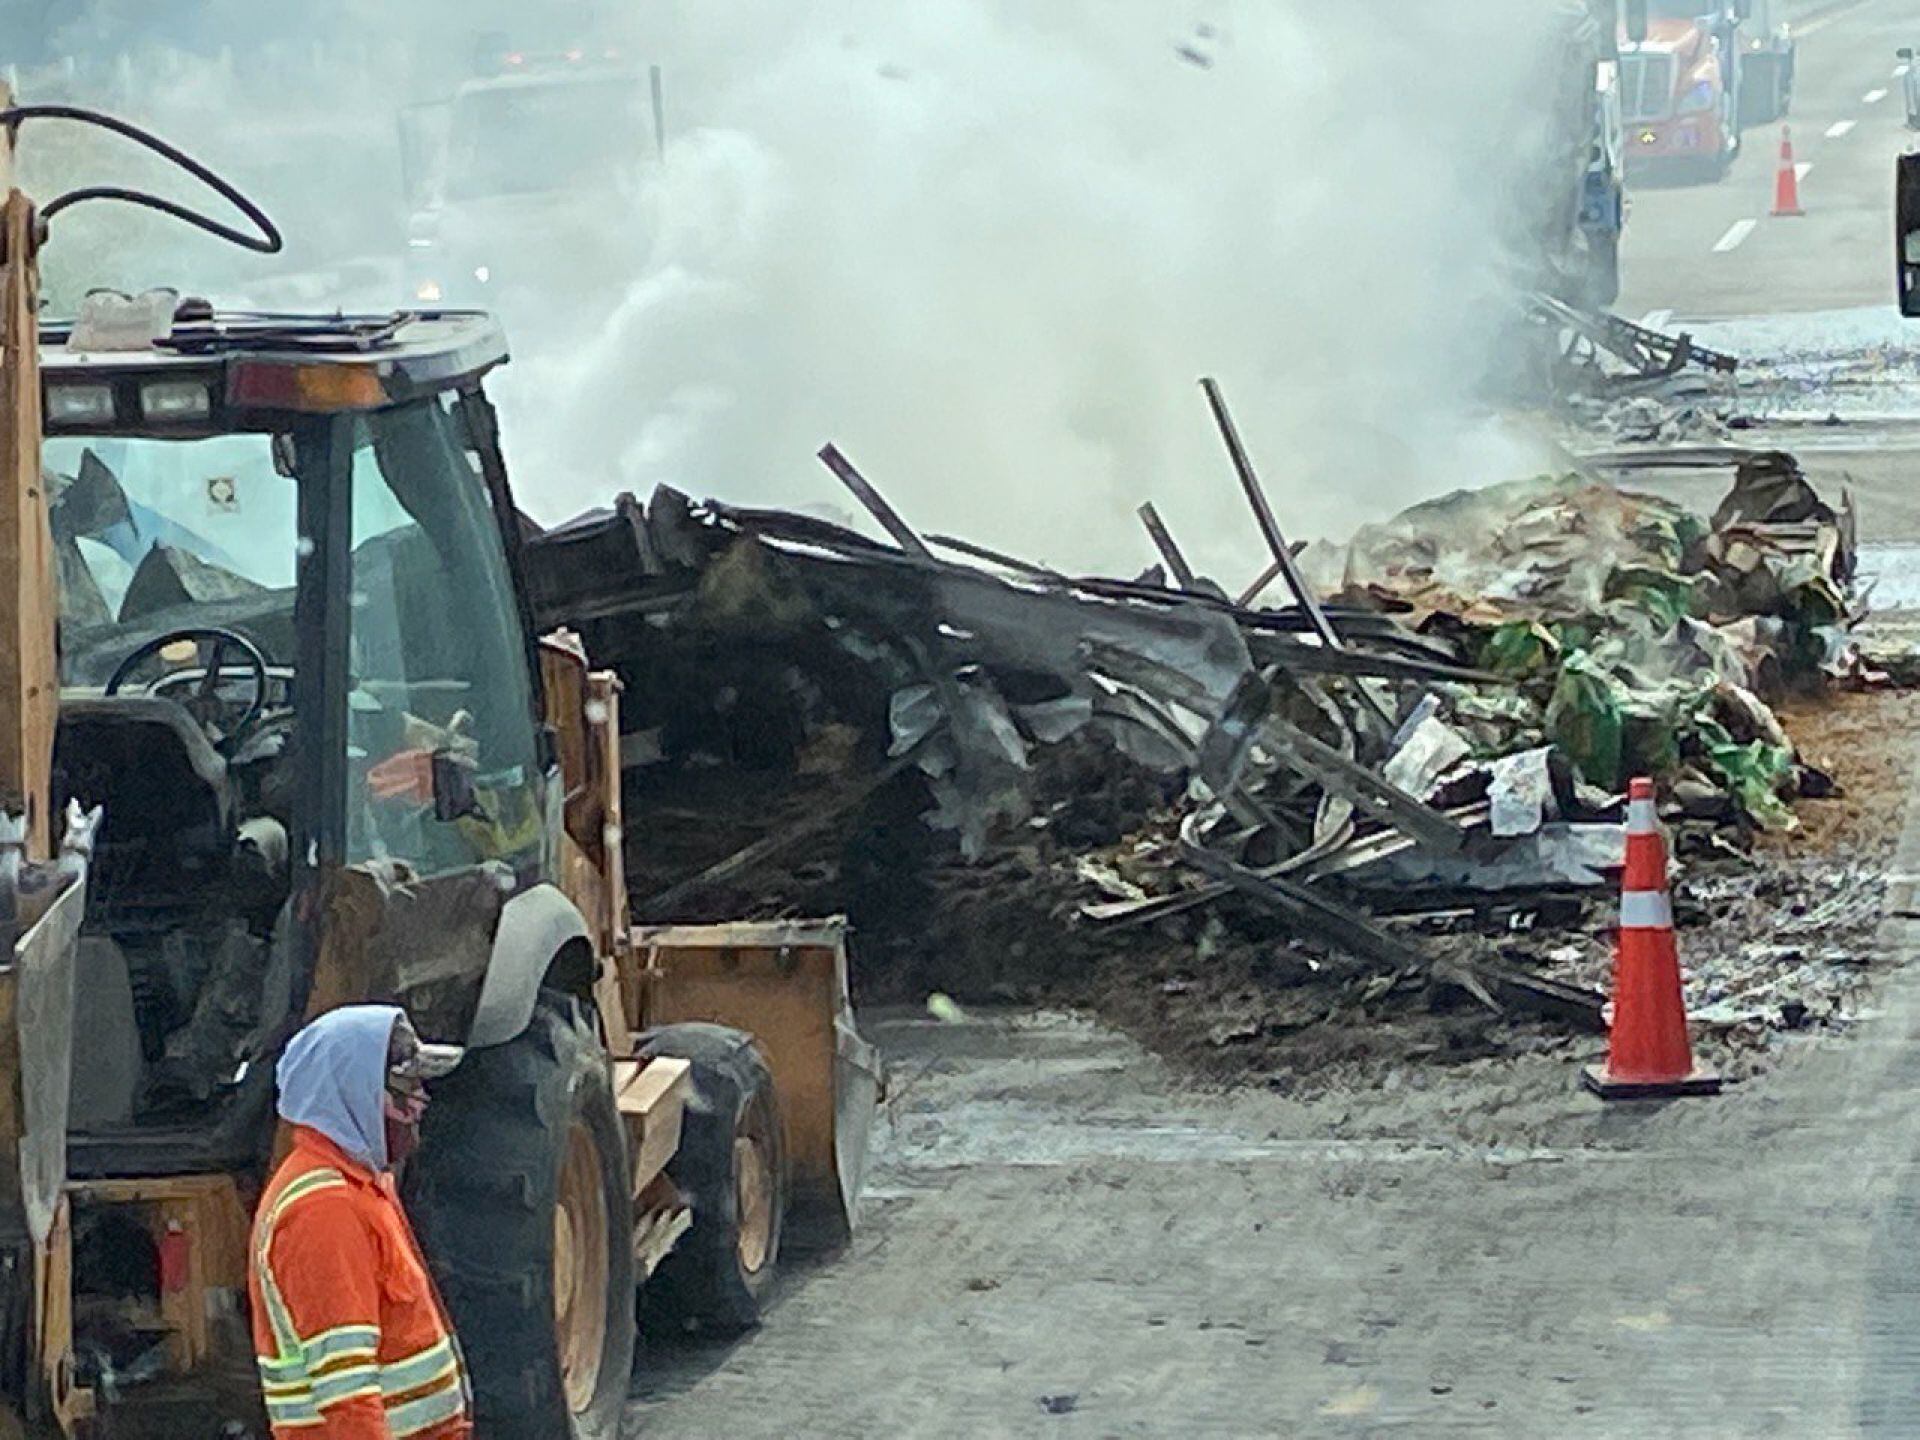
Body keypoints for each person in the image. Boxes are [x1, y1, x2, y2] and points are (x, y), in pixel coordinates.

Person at [248, 1005, 470, 1439]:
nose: (421, 1102)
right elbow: (348, 1396)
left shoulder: (363, 1186)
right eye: (407, 1087)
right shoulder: (323, 1210)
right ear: (358, 1092)